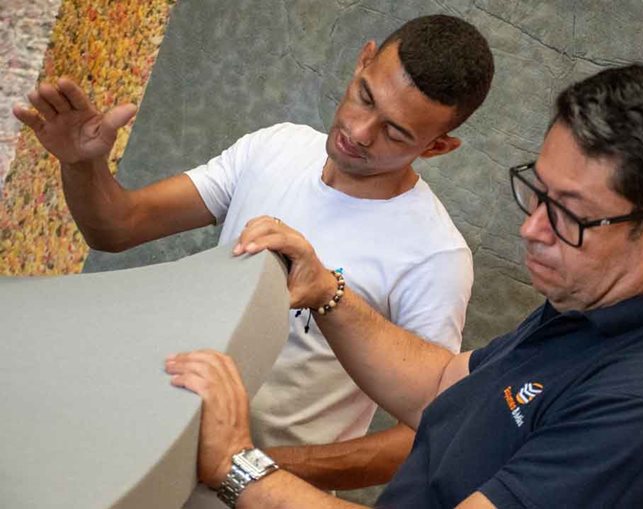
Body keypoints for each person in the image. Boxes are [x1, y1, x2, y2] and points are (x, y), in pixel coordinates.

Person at [166, 64, 643, 508]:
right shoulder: (589, 306)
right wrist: (326, 291)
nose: (531, 228)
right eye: (537, 191)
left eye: (569, 213)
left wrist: (240, 467)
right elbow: (445, 384)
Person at [13, 14, 495, 495]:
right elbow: (118, 227)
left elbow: (425, 433)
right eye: (365, 96)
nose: (360, 131)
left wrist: (246, 464)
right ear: (362, 60)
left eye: (395, 132)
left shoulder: (436, 257)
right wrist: (82, 165)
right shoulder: (276, 148)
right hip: (144, 445)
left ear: (438, 147)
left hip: (259, 494)